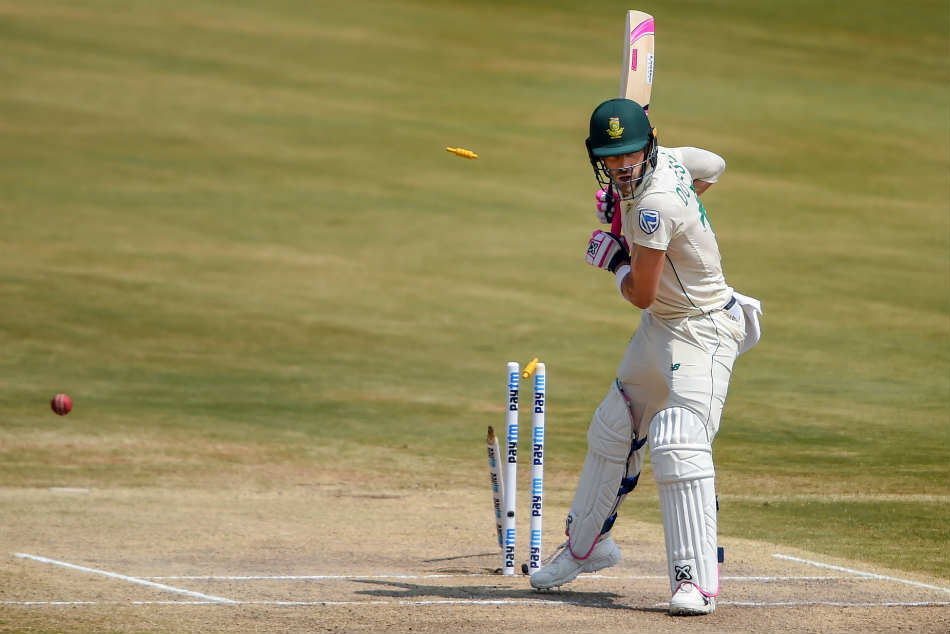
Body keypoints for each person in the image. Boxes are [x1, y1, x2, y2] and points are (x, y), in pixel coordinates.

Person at [529, 98, 762, 616]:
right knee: (614, 426)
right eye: (612, 159)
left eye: (630, 156)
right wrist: (635, 216)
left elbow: (640, 292)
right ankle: (587, 549)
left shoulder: (653, 208)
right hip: (663, 328)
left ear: (648, 147)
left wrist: (614, 256)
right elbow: (715, 167)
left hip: (702, 333)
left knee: (677, 440)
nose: (622, 167)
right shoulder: (674, 160)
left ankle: (695, 582)